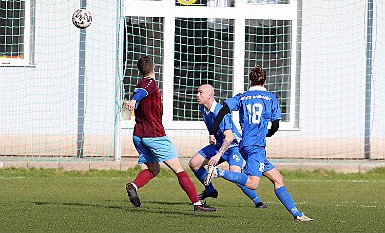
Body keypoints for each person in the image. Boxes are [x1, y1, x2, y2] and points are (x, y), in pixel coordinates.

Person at [204, 66, 313, 221]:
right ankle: (218, 172)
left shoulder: (242, 97)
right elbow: (275, 125)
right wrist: (268, 133)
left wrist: (213, 131)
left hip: (245, 144)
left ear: (250, 80)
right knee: (253, 183)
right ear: (265, 81)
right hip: (256, 147)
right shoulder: (271, 98)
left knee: (277, 178)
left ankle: (297, 214)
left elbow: (223, 109)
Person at [124, 56, 216, 212]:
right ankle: (197, 204)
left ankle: (134, 186)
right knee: (179, 169)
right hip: (154, 135)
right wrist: (133, 100)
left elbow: (140, 92)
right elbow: (142, 93)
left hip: (138, 135)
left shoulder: (139, 84)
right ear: (154, 68)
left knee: (154, 169)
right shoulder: (149, 83)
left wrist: (133, 99)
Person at [189, 84, 267, 208]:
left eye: (200, 92)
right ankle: (210, 190)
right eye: (197, 92)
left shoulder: (219, 111)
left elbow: (229, 137)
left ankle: (258, 201)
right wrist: (212, 134)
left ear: (209, 95)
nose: (197, 95)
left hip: (233, 147)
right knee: (194, 163)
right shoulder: (203, 108)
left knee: (235, 174)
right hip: (219, 145)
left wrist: (218, 155)